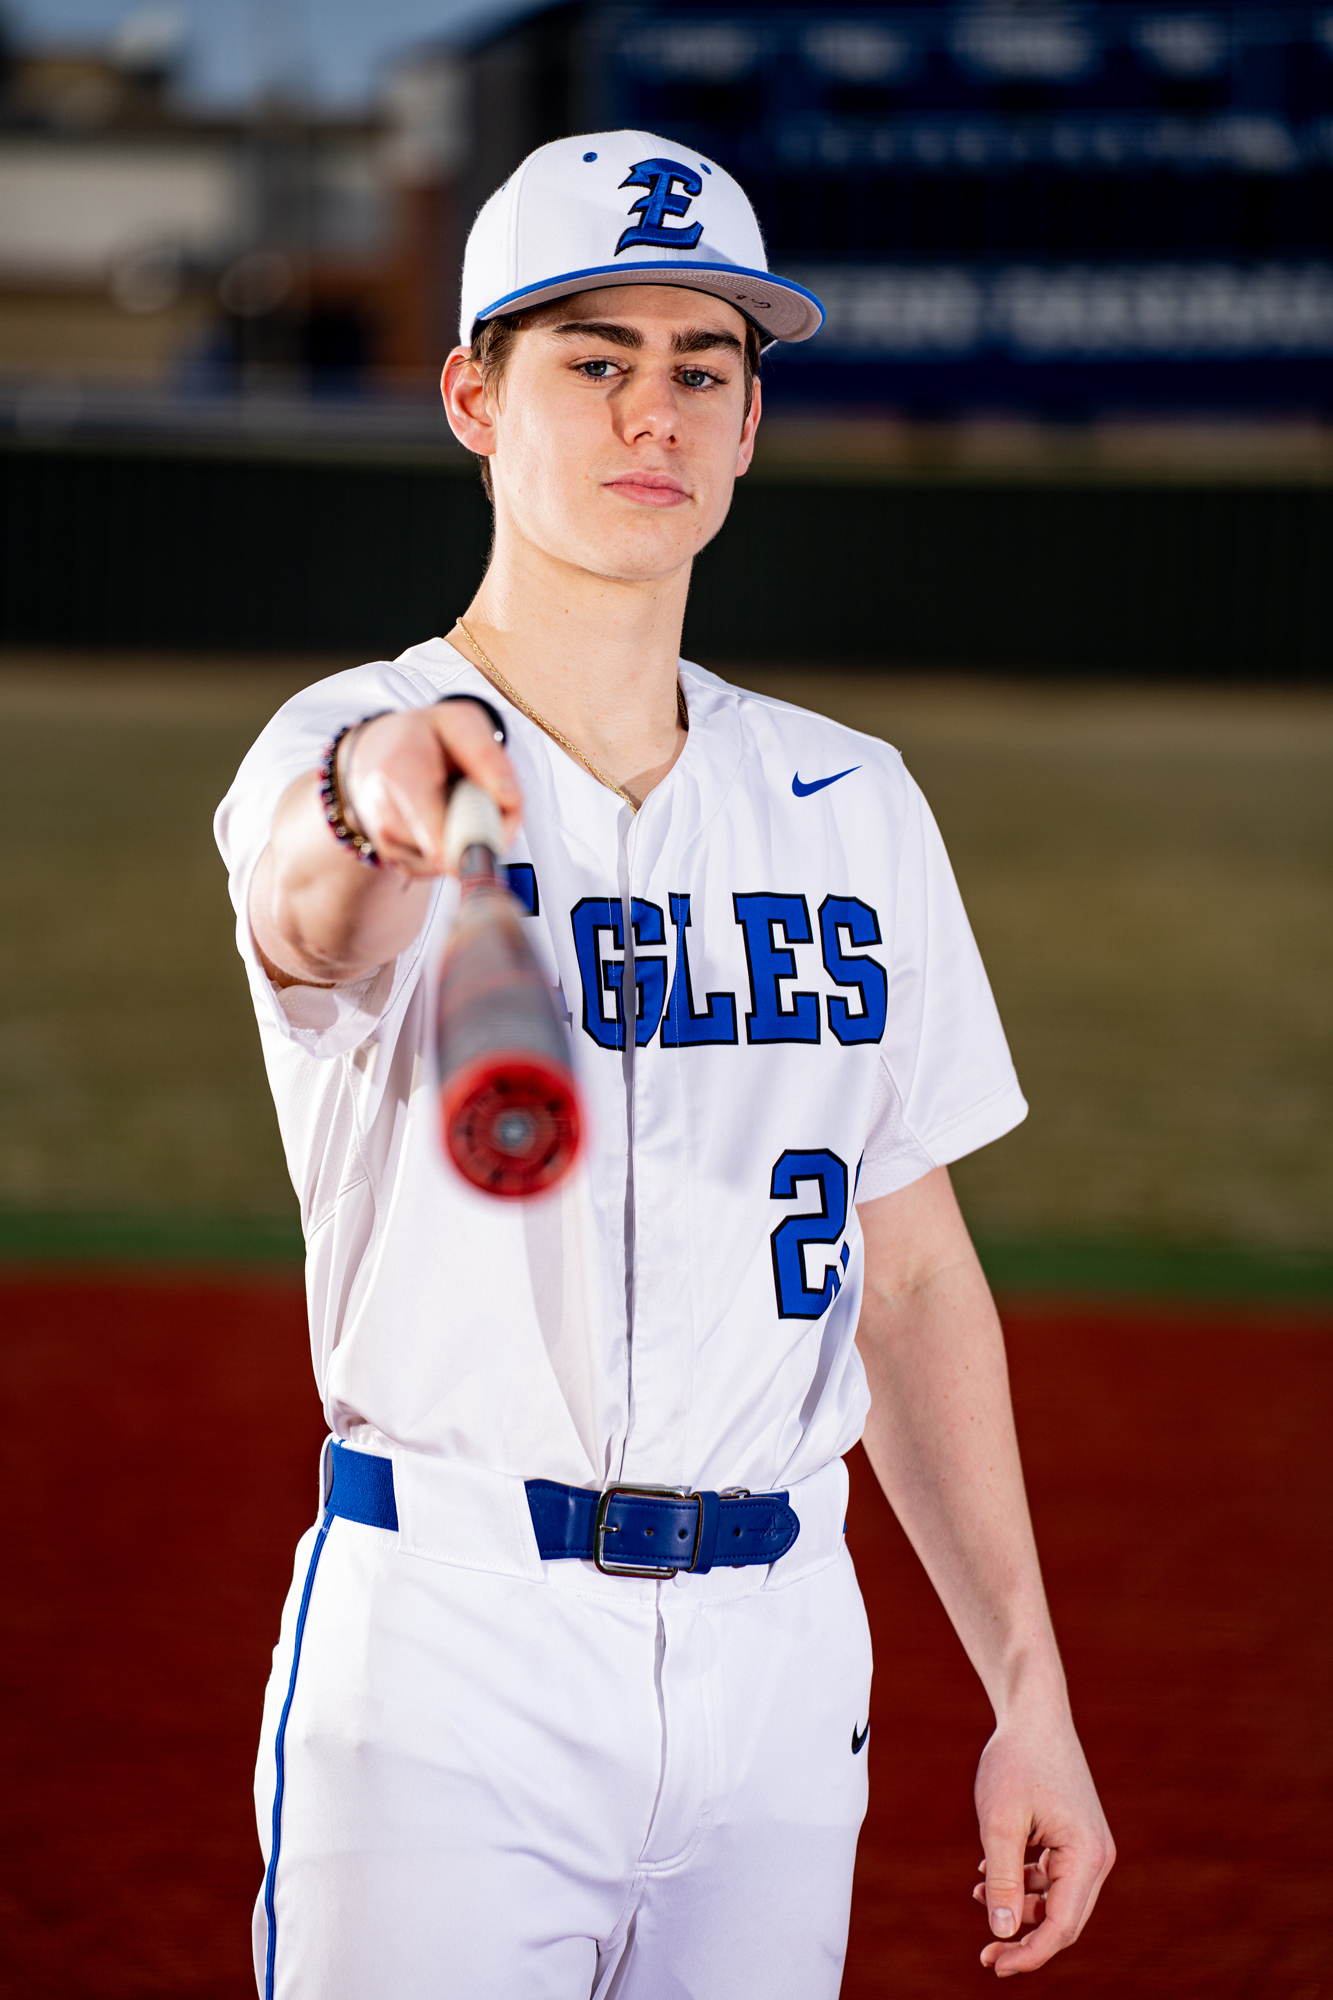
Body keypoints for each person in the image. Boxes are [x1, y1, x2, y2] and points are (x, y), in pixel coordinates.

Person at [216, 131, 1113, 2000]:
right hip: (456, 1647)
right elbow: (311, 907)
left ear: (750, 424)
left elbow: (907, 1268)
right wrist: (383, 802)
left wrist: (1028, 1690)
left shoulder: (850, 801)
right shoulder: (349, 739)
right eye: (593, 359)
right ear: (473, 400)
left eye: (704, 369)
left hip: (784, 1661)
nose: (656, 411)